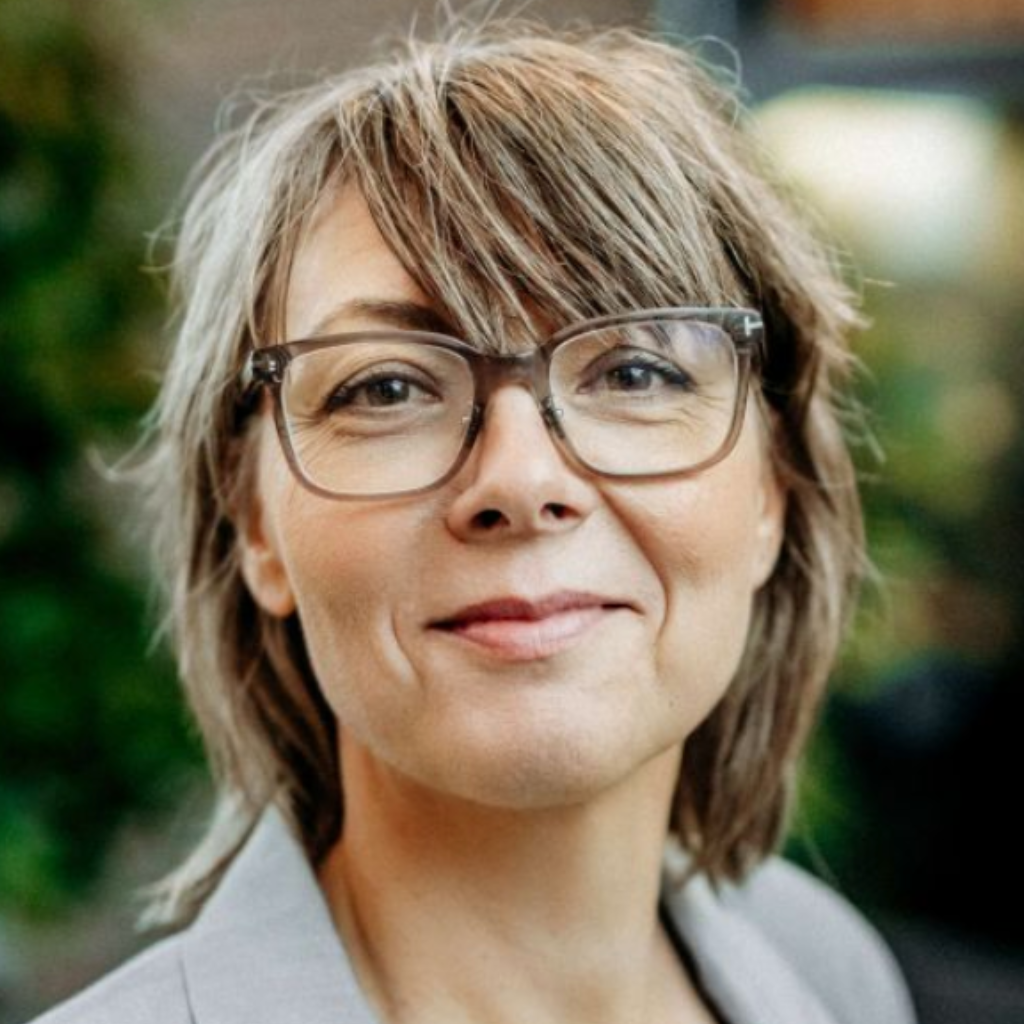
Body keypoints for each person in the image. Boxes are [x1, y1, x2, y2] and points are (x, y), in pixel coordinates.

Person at [32, 20, 917, 1024]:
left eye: (635, 372)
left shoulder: (828, 972)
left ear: (771, 491)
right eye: (387, 388)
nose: (522, 479)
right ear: (256, 527)